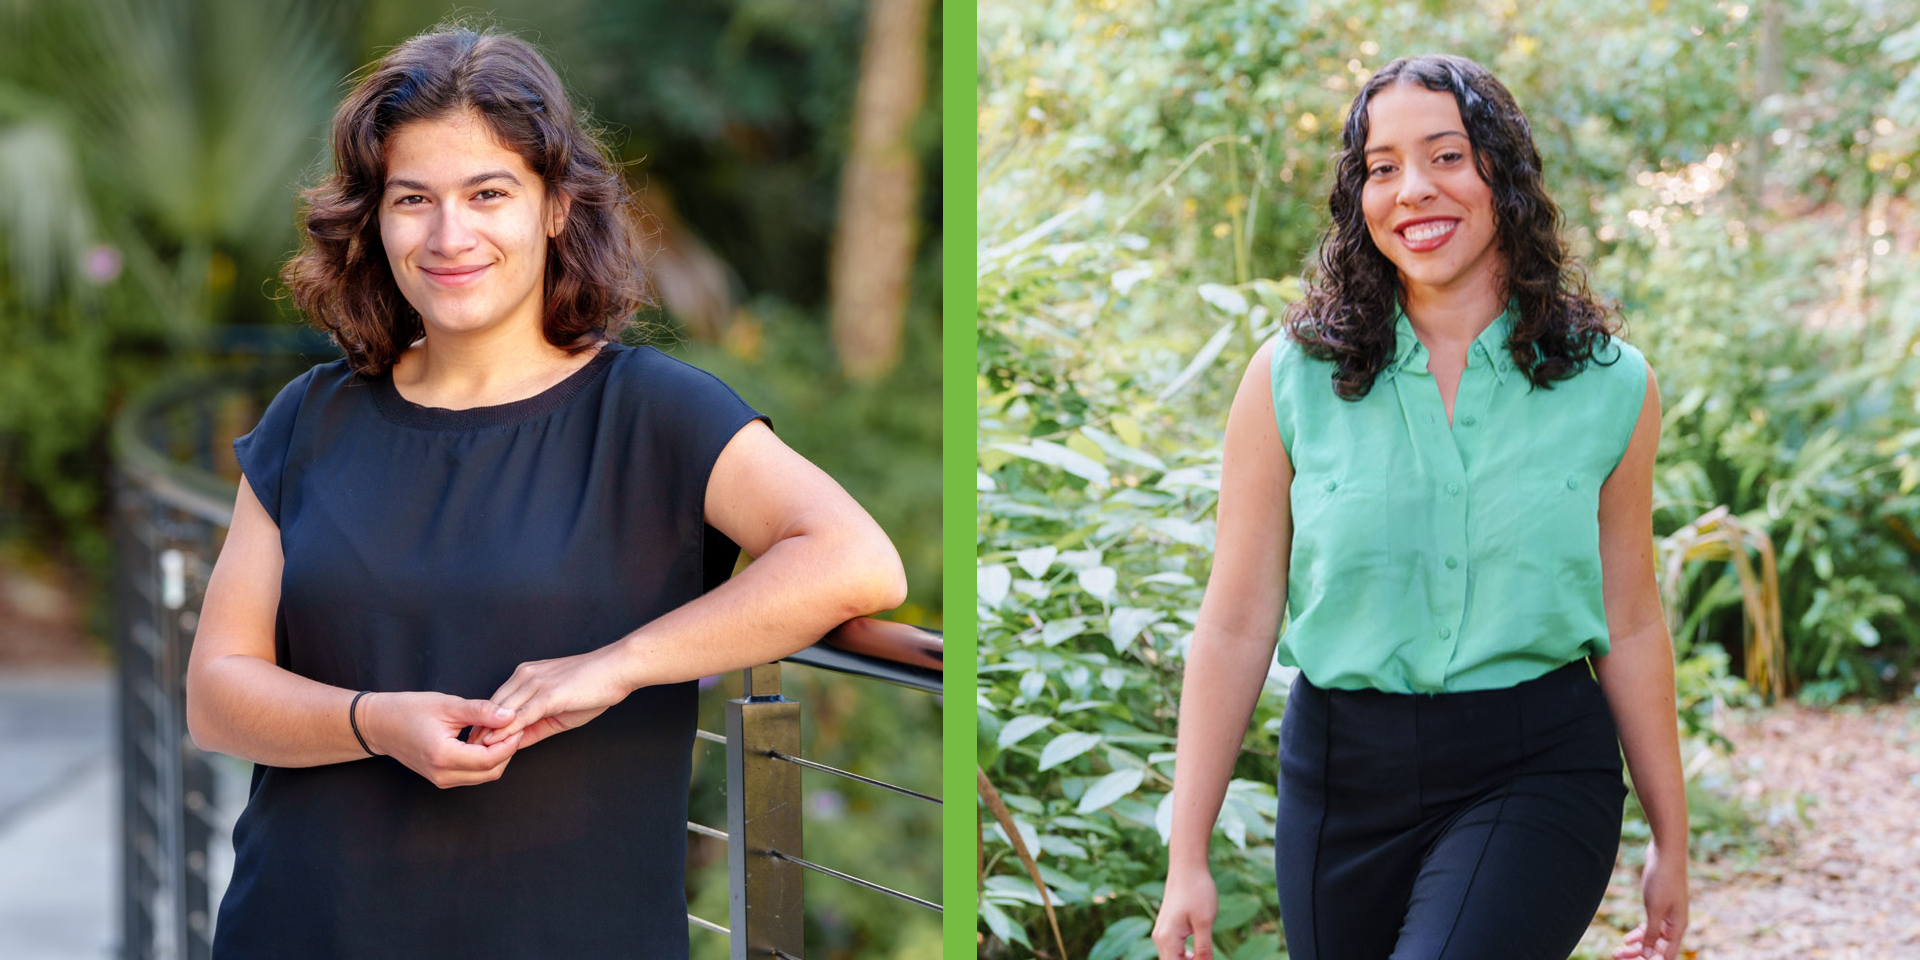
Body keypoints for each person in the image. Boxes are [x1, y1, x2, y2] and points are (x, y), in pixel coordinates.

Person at [183, 24, 908, 959]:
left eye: (490, 194)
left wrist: (620, 662)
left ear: (556, 205)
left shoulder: (652, 411)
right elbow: (216, 693)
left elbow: (857, 560)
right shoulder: (309, 418)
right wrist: (373, 723)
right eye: (414, 199)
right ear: (375, 217)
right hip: (304, 929)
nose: (451, 236)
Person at [1149, 54, 1689, 960]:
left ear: (1502, 176)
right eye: (1382, 166)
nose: (1413, 191)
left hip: (1535, 765)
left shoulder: (1611, 387)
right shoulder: (1288, 380)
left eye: (1447, 156)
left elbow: (1629, 623)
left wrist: (1672, 843)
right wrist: (1186, 853)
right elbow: (1237, 620)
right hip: (1338, 780)